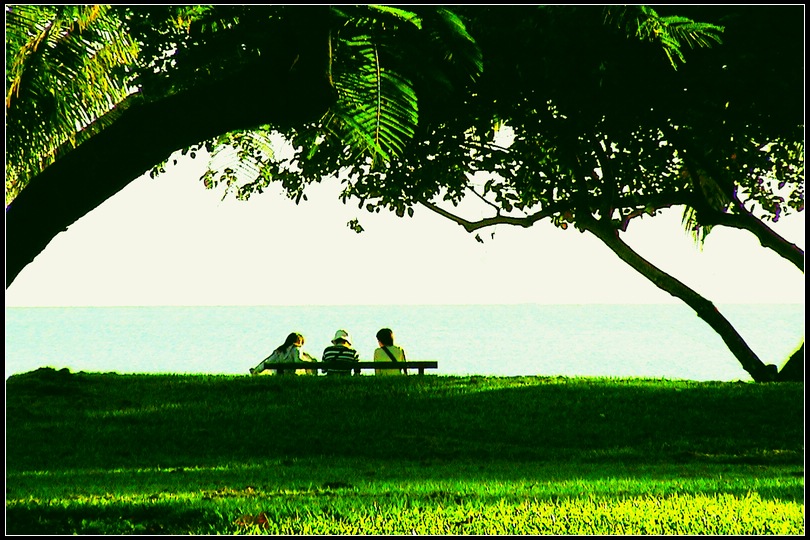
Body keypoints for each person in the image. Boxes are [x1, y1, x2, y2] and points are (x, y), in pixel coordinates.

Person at [250, 332, 317, 376]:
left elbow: (268, 361)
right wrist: (309, 363)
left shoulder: (279, 350)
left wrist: (256, 370)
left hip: (279, 375)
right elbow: (297, 361)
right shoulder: (296, 349)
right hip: (290, 376)